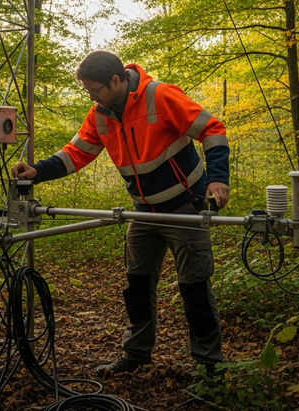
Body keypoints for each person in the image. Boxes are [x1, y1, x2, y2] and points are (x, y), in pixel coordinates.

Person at [11, 51, 230, 376]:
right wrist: (36, 171)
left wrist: (218, 181)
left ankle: (211, 367)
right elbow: (76, 153)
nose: (91, 96)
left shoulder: (161, 96)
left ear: (116, 80)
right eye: (87, 91)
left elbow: (212, 130)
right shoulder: (100, 114)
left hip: (187, 206)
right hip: (143, 211)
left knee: (194, 286)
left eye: (95, 89)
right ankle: (137, 353)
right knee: (136, 285)